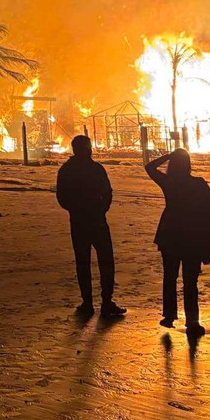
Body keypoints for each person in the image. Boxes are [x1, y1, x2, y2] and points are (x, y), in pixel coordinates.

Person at [146, 149, 210, 337]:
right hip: (191, 235)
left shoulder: (169, 182)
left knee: (170, 277)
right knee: (190, 281)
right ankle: (192, 321)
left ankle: (169, 315)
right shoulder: (199, 184)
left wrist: (168, 156)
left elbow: (149, 167)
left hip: (170, 233)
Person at [56, 135, 126, 319]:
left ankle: (87, 302)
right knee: (106, 261)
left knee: (83, 262)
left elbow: (62, 197)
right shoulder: (96, 169)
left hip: (78, 221)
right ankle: (106, 301)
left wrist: (75, 209)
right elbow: (108, 192)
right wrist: (101, 209)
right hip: (96, 220)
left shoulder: (66, 170)